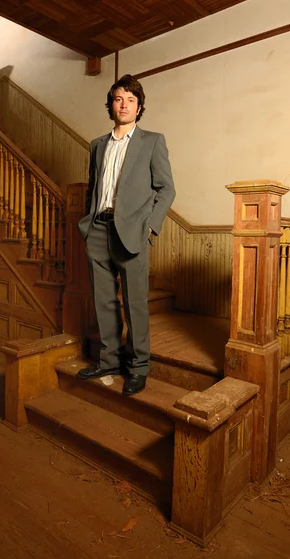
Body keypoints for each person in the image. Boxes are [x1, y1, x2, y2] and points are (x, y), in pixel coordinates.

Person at [76, 74, 175, 396]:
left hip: (132, 233)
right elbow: (94, 187)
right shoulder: (97, 145)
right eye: (119, 99)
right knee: (103, 302)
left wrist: (151, 225)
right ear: (111, 104)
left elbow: (166, 189)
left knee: (135, 304)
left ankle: (138, 367)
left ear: (139, 106)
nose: (124, 105)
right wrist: (87, 222)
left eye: (131, 100)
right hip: (98, 230)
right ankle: (108, 361)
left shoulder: (152, 141)